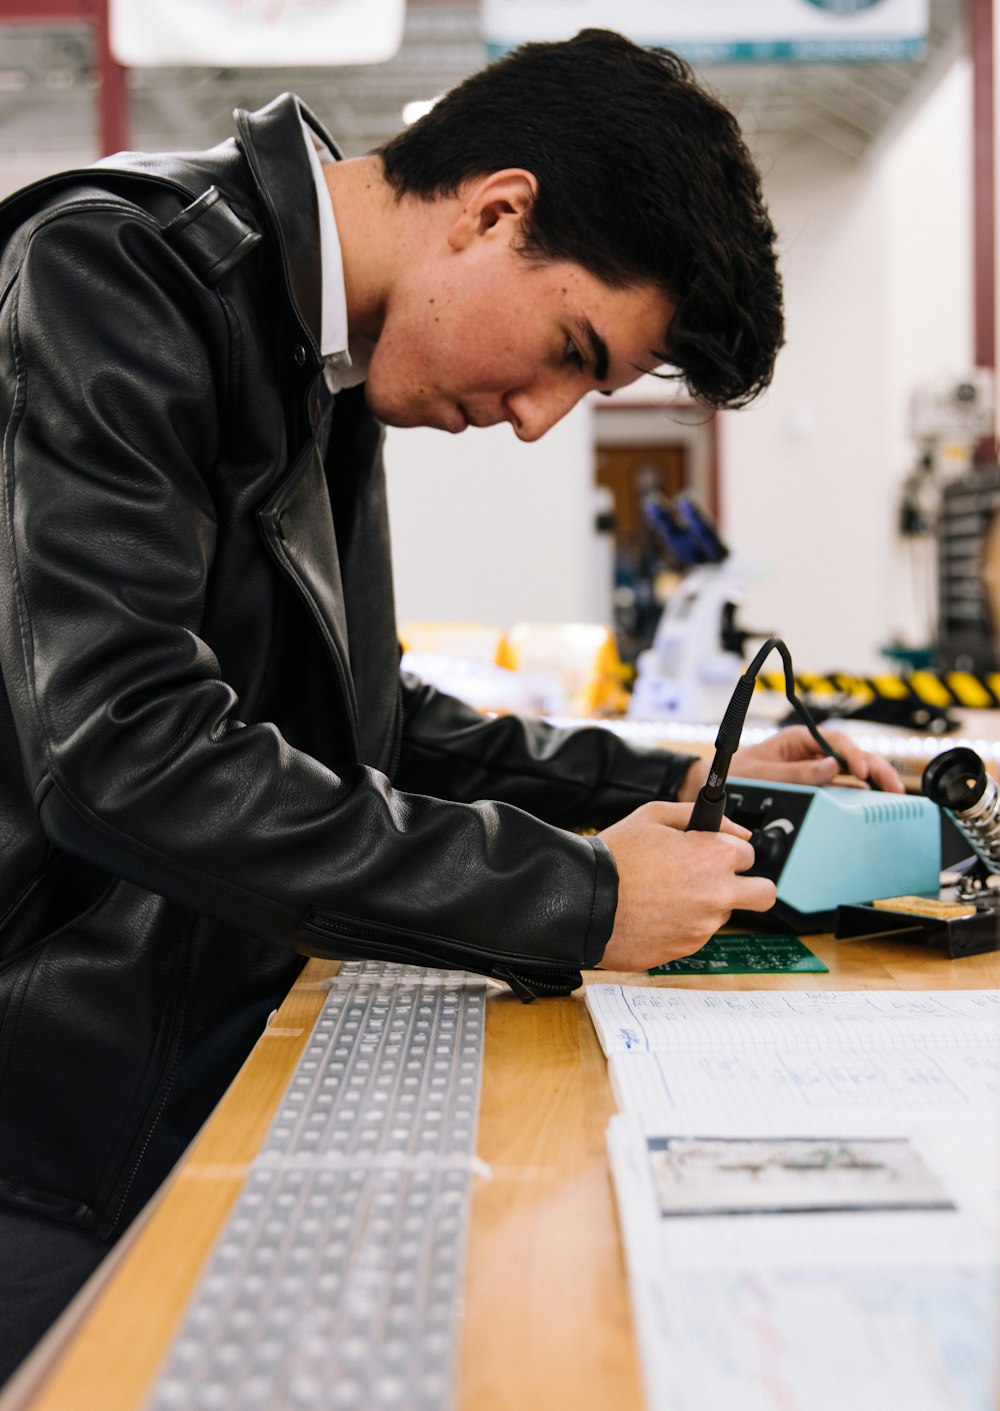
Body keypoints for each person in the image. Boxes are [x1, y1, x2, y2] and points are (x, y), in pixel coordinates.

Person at [0, 27, 900, 1381]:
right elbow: (126, 753)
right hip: (44, 1143)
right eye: (568, 351)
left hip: (172, 1077)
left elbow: (368, 723)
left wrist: (665, 790)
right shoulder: (116, 274)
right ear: (497, 208)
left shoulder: (321, 351)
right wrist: (581, 899)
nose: (541, 422)